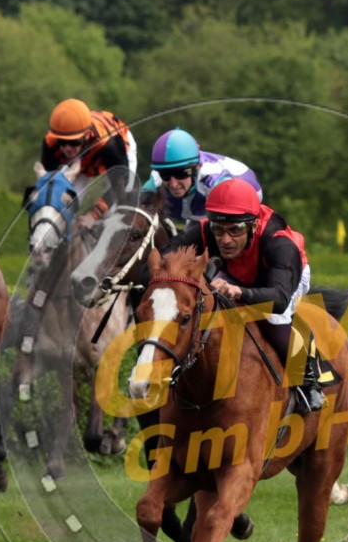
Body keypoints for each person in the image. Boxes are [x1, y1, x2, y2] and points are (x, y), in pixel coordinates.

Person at [160, 178, 325, 414]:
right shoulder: (208, 229)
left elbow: (278, 300)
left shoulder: (280, 244)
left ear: (254, 225)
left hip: (283, 281)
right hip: (239, 272)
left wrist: (240, 292)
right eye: (219, 229)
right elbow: (166, 255)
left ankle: (309, 380)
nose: (225, 239)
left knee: (273, 317)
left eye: (236, 230)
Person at [39, 98, 137, 230]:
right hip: (83, 160)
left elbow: (121, 185)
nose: (67, 149)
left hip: (118, 151)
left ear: (86, 135)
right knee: (63, 205)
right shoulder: (50, 143)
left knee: (113, 209)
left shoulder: (108, 144)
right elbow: (48, 186)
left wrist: (93, 215)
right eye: (62, 142)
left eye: (74, 142)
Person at [141, 127, 262, 227]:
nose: (173, 184)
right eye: (165, 174)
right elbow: (135, 207)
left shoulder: (214, 182)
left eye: (180, 174)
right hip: (201, 208)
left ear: (197, 167)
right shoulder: (157, 177)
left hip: (239, 201)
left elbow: (223, 228)